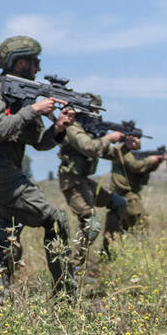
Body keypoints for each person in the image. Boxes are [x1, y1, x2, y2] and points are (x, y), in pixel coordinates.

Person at [0, 35, 77, 297]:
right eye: (34, 62)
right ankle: (65, 294)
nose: (38, 68)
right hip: (0, 177)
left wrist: (59, 127)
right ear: (19, 64)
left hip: (1, 177)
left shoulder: (23, 99)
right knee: (55, 220)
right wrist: (35, 109)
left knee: (7, 244)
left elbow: (39, 142)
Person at [55, 99, 127, 267]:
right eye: (92, 111)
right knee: (91, 224)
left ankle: (108, 254)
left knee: (119, 203)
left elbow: (108, 153)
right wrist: (109, 137)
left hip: (84, 181)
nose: (96, 116)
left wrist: (126, 146)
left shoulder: (89, 131)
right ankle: (74, 268)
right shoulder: (72, 128)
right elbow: (89, 147)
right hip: (71, 181)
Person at [95, 135, 167, 257]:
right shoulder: (122, 151)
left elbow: (142, 169)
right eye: (135, 138)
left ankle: (120, 253)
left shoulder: (129, 152)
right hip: (124, 194)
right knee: (137, 223)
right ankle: (138, 254)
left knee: (124, 226)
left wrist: (156, 162)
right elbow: (135, 166)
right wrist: (151, 160)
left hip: (129, 193)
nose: (138, 141)